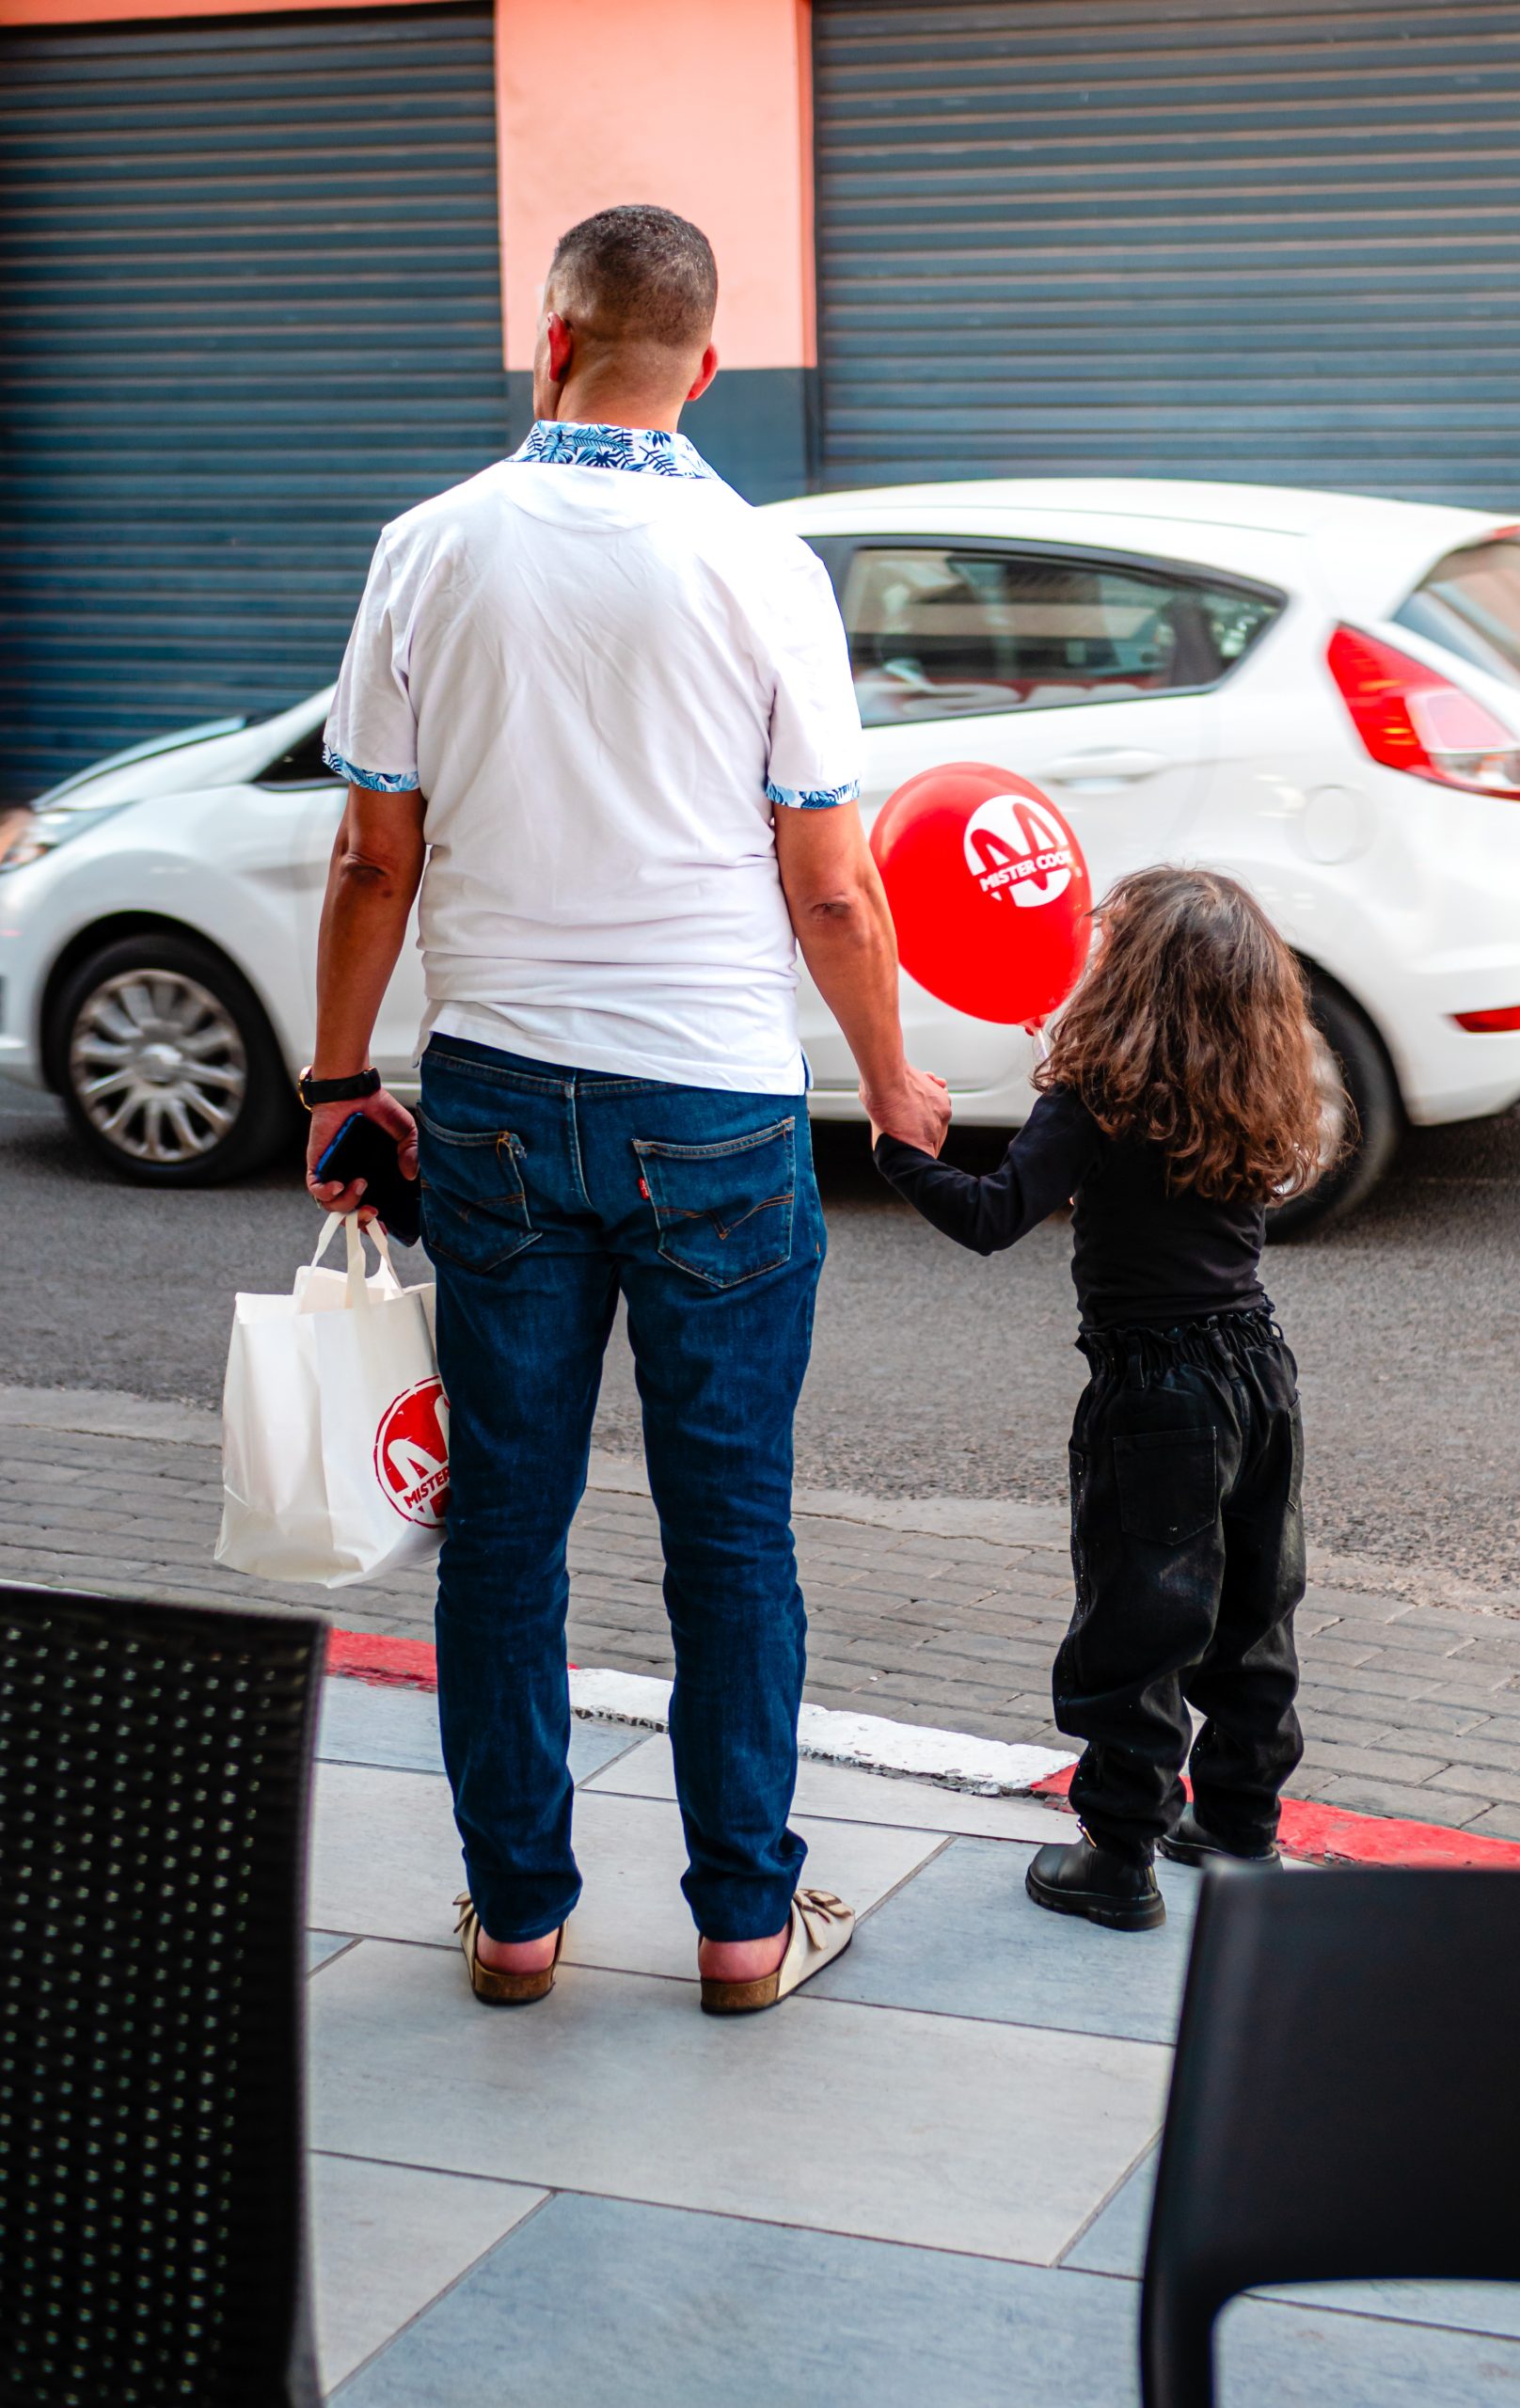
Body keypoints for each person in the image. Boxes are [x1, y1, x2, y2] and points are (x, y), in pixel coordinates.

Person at [303, 204, 948, 2013]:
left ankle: (518, 1922)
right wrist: (891, 1077)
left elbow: (372, 858)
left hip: (496, 1098)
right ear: (710, 366)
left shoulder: (429, 550)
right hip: (723, 1116)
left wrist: (343, 1079)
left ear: (552, 340)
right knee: (730, 1530)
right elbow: (830, 886)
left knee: (508, 1524)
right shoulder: (763, 569)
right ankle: (745, 1926)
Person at [873, 868, 1327, 1930]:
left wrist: (903, 1154)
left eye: (1106, 945)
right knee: (1254, 1609)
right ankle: (1240, 1823)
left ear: (1130, 976)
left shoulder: (1094, 1092)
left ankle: (1118, 1854)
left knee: (1141, 1618)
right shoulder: (1252, 1079)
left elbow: (995, 1217)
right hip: (1259, 1369)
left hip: (1155, 1392)